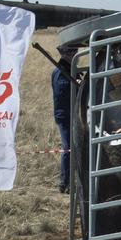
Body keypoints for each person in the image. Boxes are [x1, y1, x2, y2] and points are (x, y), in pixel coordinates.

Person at [51, 59, 73, 194]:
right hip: (65, 115)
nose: (73, 53)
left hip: (70, 114)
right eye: (70, 51)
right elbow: (62, 94)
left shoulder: (67, 70)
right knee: (68, 148)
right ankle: (64, 183)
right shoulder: (60, 73)